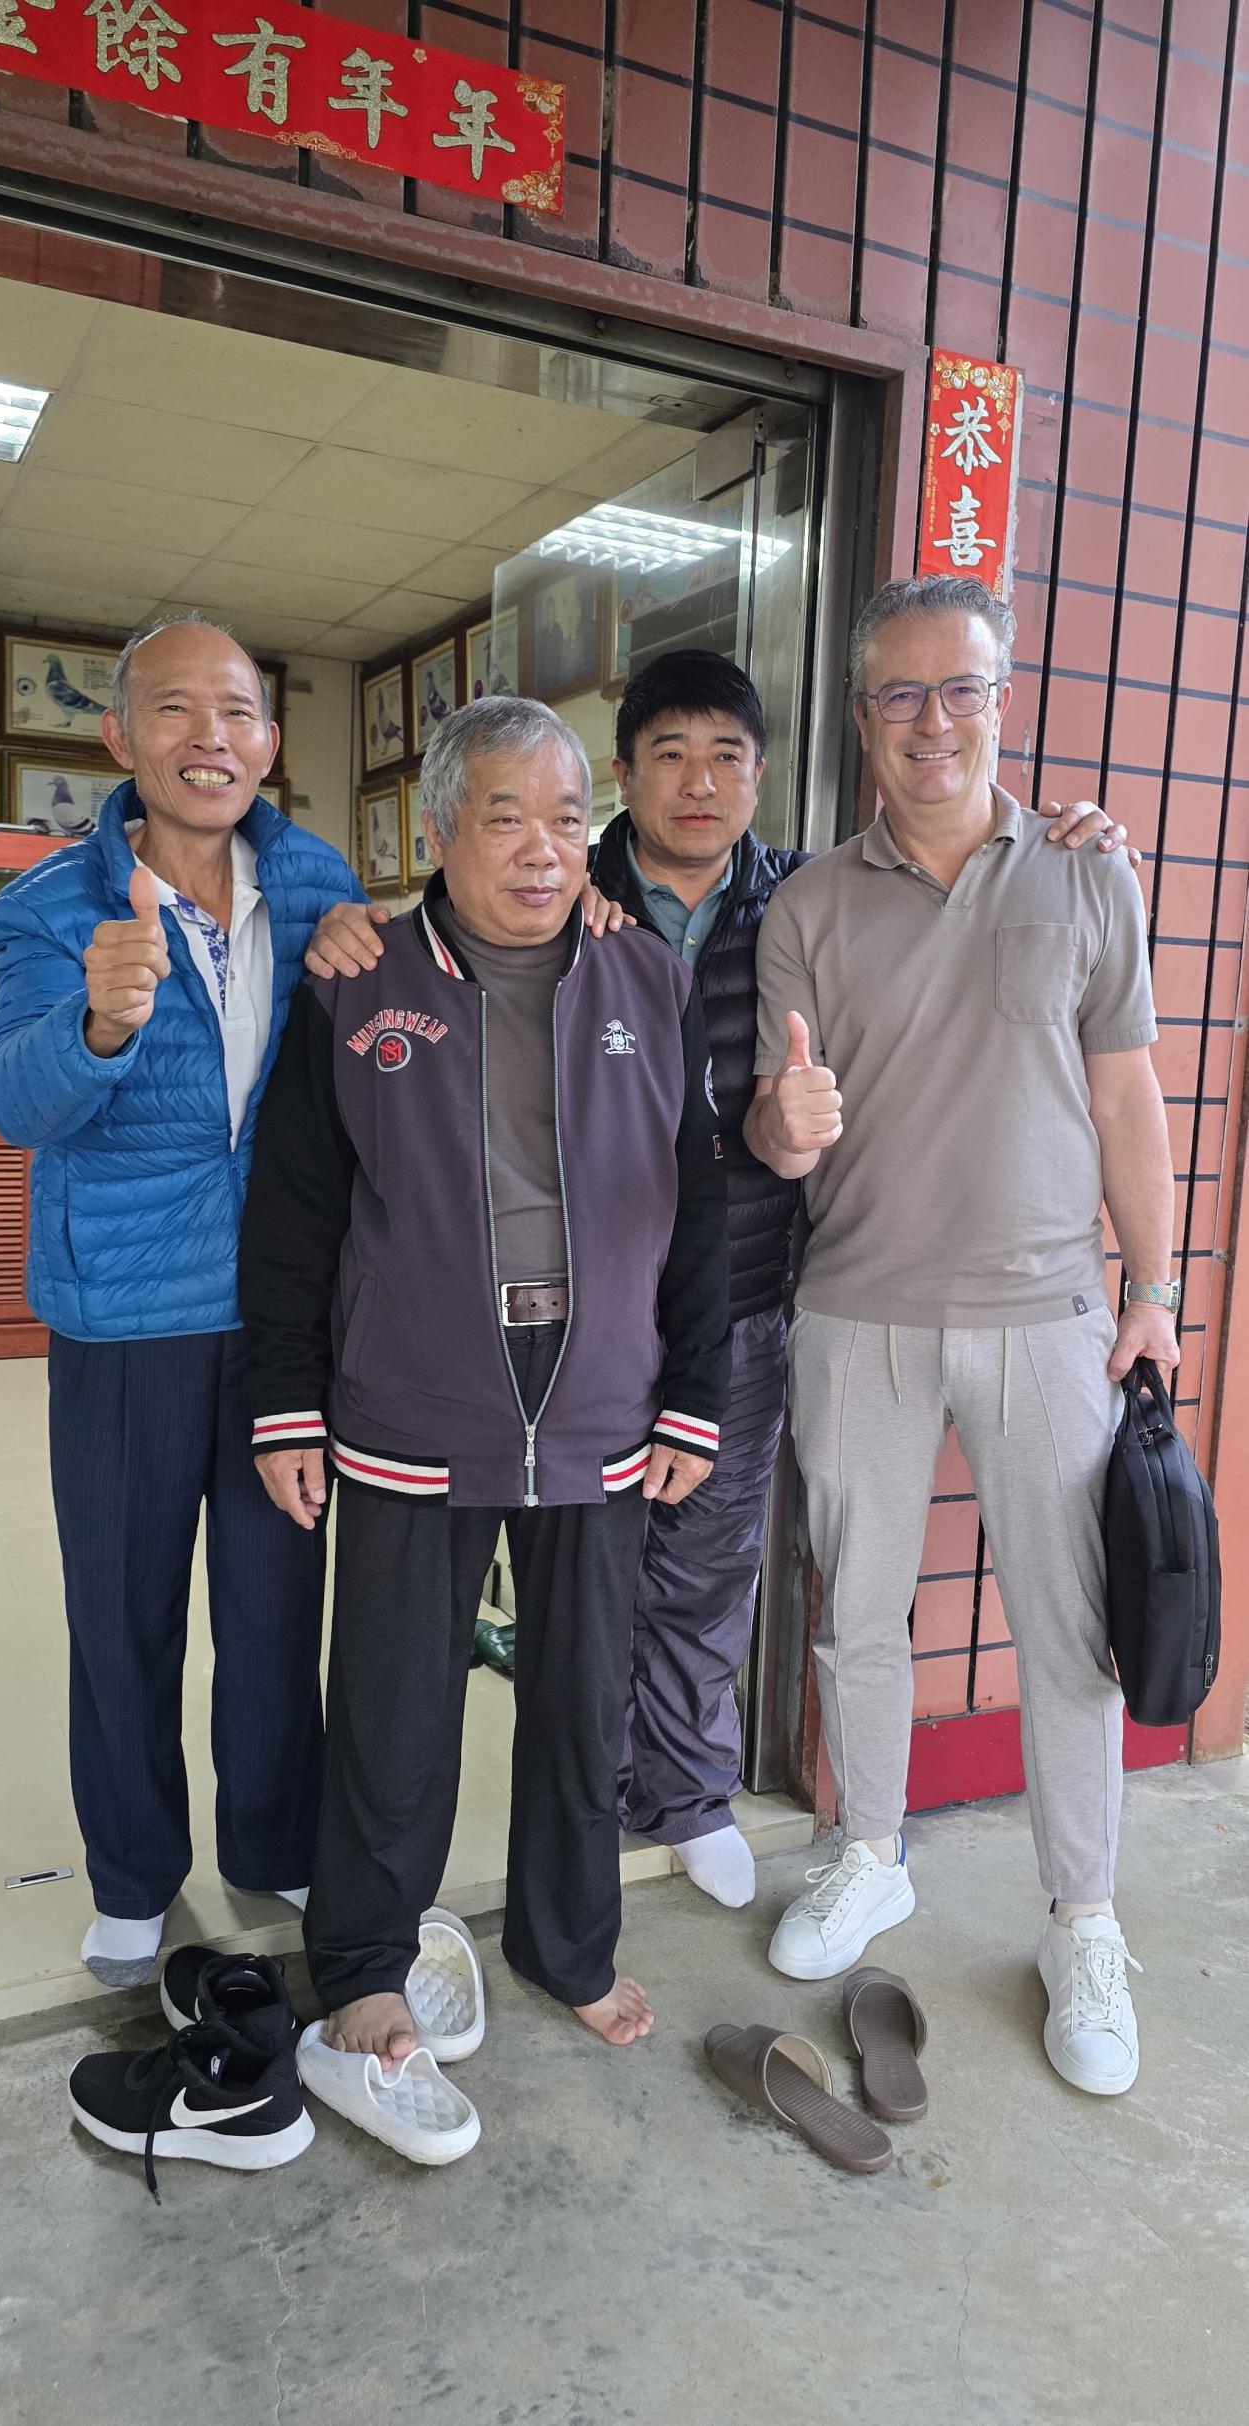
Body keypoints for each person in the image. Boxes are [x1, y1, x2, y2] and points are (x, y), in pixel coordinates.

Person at [589, 648, 1139, 1911]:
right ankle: (585, 1801)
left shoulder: (792, 894)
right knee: (586, 1571)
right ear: (623, 775)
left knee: (712, 1565)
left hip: (743, 1294)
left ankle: (688, 1792)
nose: (699, 781)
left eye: (726, 756)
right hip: (593, 1301)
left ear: (762, 773)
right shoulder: (571, 898)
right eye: (669, 755)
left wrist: (1088, 837)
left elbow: (1113, 1082)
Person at [240, 694, 730, 2081]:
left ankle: (566, 1946)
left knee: (581, 1702)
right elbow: (296, 1207)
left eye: (567, 819)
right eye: (504, 818)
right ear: (440, 830)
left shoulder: (647, 978)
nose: (540, 849)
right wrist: (286, 1397)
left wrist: (693, 1393)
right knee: (391, 1706)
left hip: (600, 1396)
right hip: (414, 1393)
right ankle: (364, 1959)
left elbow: (698, 1205)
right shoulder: (356, 980)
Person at [746, 573, 1177, 2096]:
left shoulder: (1085, 872)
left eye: (962, 689)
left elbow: (1126, 1095)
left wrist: (1152, 1290)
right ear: (861, 715)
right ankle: (870, 1852)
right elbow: (777, 1136)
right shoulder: (805, 904)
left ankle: (1083, 1921)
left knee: (1068, 1631)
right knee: (854, 1610)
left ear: (1001, 698)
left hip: (1051, 1315)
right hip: (854, 1308)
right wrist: (784, 1126)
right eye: (900, 693)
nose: (933, 721)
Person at [0, 613, 384, 1988]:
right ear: (120, 736)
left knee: (273, 1607)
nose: (210, 737)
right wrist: (97, 1022)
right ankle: (134, 1873)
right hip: (122, 1321)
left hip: (281, 1322)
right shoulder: (50, 905)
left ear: (269, 740)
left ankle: (271, 1838)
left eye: (238, 711)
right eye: (174, 708)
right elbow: (15, 1099)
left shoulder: (316, 879)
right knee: (124, 1615)